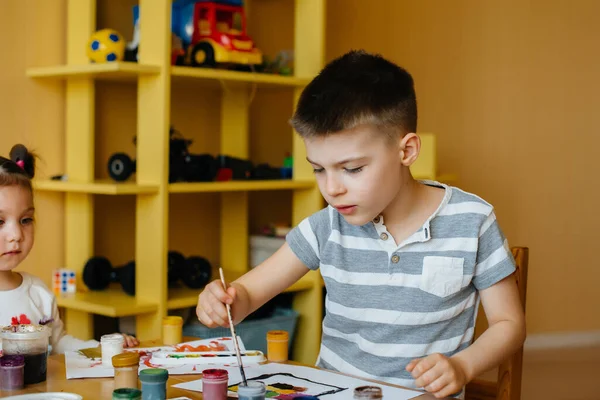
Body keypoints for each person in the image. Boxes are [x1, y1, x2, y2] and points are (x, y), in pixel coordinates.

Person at [196, 50, 526, 398]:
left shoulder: (472, 221)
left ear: (407, 151)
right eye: (319, 169)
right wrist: (225, 301)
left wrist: (463, 365)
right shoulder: (326, 227)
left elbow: (510, 324)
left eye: (352, 169)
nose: (332, 188)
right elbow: (249, 294)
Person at [0, 144, 139, 353]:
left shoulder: (38, 294)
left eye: (25, 220)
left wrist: (101, 347)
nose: (17, 235)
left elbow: (58, 345)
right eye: (0, 221)